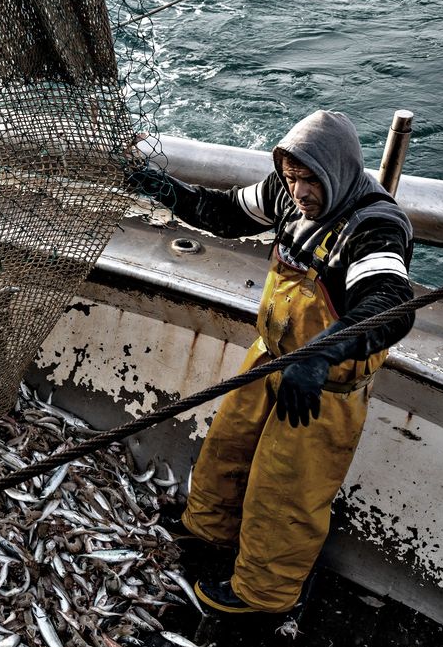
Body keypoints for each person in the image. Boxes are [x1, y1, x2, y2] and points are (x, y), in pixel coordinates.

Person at [128, 110, 414, 615]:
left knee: (285, 490)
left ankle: (263, 595)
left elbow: (388, 305)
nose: (299, 192)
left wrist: (321, 354)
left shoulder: (375, 226)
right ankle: (208, 532)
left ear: (339, 171)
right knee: (226, 448)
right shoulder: (285, 191)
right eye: (292, 177)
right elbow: (222, 213)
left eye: (310, 181)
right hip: (272, 358)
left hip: (323, 386)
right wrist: (161, 188)